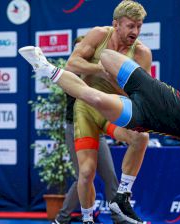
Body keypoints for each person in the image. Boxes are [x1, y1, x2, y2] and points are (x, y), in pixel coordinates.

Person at [19, 46, 180, 224]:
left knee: (93, 98)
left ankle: (46, 68)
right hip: (150, 89)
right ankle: (81, 65)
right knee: (106, 55)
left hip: (143, 118)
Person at [62, 1, 152, 223]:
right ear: (116, 24)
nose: (135, 32)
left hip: (112, 109)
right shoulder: (99, 35)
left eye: (139, 27)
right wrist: (99, 70)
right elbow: (71, 64)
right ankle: (87, 219)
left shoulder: (141, 53)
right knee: (86, 173)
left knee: (140, 137)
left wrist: (117, 80)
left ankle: (121, 196)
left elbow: (140, 95)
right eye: (130, 26)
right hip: (85, 109)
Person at [53, 37, 121, 224]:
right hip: (75, 130)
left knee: (110, 176)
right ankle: (62, 219)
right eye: (79, 49)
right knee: (83, 176)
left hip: (96, 130)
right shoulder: (69, 72)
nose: (83, 53)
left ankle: (119, 217)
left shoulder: (97, 72)